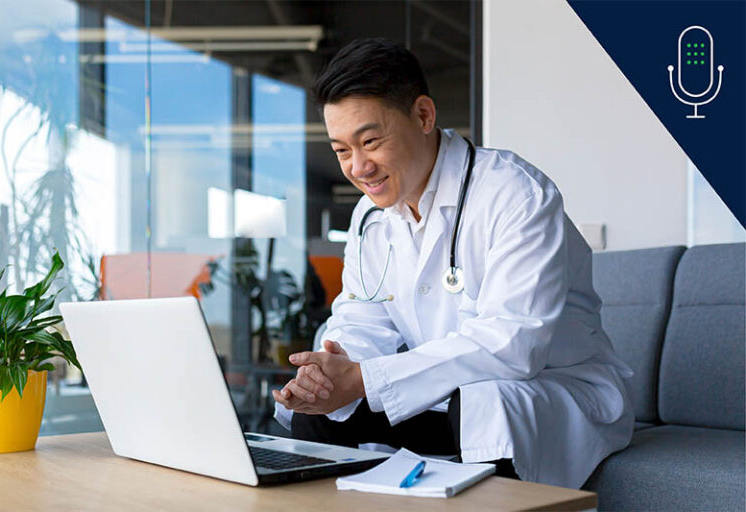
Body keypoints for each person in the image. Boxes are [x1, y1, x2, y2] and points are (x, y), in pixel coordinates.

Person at [272, 38, 634, 488]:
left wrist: (366, 378)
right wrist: (330, 371)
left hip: (551, 388)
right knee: (322, 414)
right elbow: (361, 320)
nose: (358, 167)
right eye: (342, 150)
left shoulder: (515, 195)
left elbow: (512, 344)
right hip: (441, 394)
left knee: (486, 407)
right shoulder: (370, 217)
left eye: (370, 141)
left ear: (423, 115)